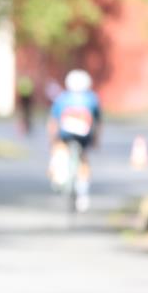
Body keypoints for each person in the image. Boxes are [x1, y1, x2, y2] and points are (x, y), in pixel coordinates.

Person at [47, 69, 101, 212]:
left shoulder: (63, 98)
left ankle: (57, 177)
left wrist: (52, 140)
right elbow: (98, 121)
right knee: (83, 158)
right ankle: (83, 193)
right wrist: (96, 140)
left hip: (65, 134)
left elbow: (53, 121)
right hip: (84, 135)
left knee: (59, 149)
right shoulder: (91, 98)